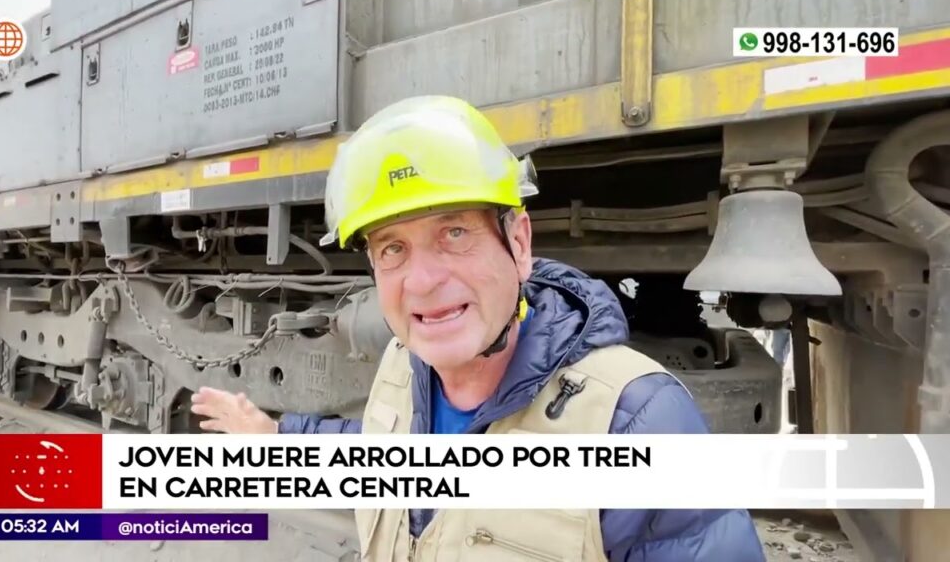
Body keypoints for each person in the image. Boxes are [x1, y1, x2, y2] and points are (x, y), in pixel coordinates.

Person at [192, 96, 765, 561]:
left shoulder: (635, 421)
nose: (422, 281)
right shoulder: (404, 366)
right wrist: (279, 440)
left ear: (518, 245)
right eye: (392, 247)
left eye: (455, 234)